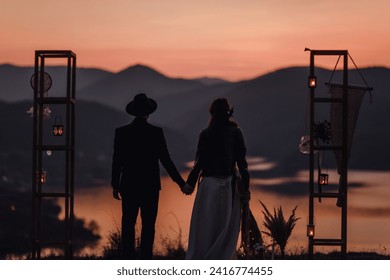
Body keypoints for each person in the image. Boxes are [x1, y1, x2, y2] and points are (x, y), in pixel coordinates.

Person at [111, 93, 186, 259]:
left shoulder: (122, 133)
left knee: (128, 223)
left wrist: (115, 185)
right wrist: (181, 183)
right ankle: (146, 259)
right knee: (148, 224)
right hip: (150, 186)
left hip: (128, 185)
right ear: (148, 113)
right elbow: (166, 160)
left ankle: (128, 259)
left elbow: (117, 161)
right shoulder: (156, 132)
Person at [183, 98, 250, 259]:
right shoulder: (236, 132)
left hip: (208, 187)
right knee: (226, 227)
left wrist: (190, 184)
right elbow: (242, 164)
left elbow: (199, 163)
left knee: (205, 226)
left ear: (212, 113)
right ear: (228, 113)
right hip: (228, 187)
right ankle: (222, 258)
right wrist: (245, 189)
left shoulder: (205, 134)